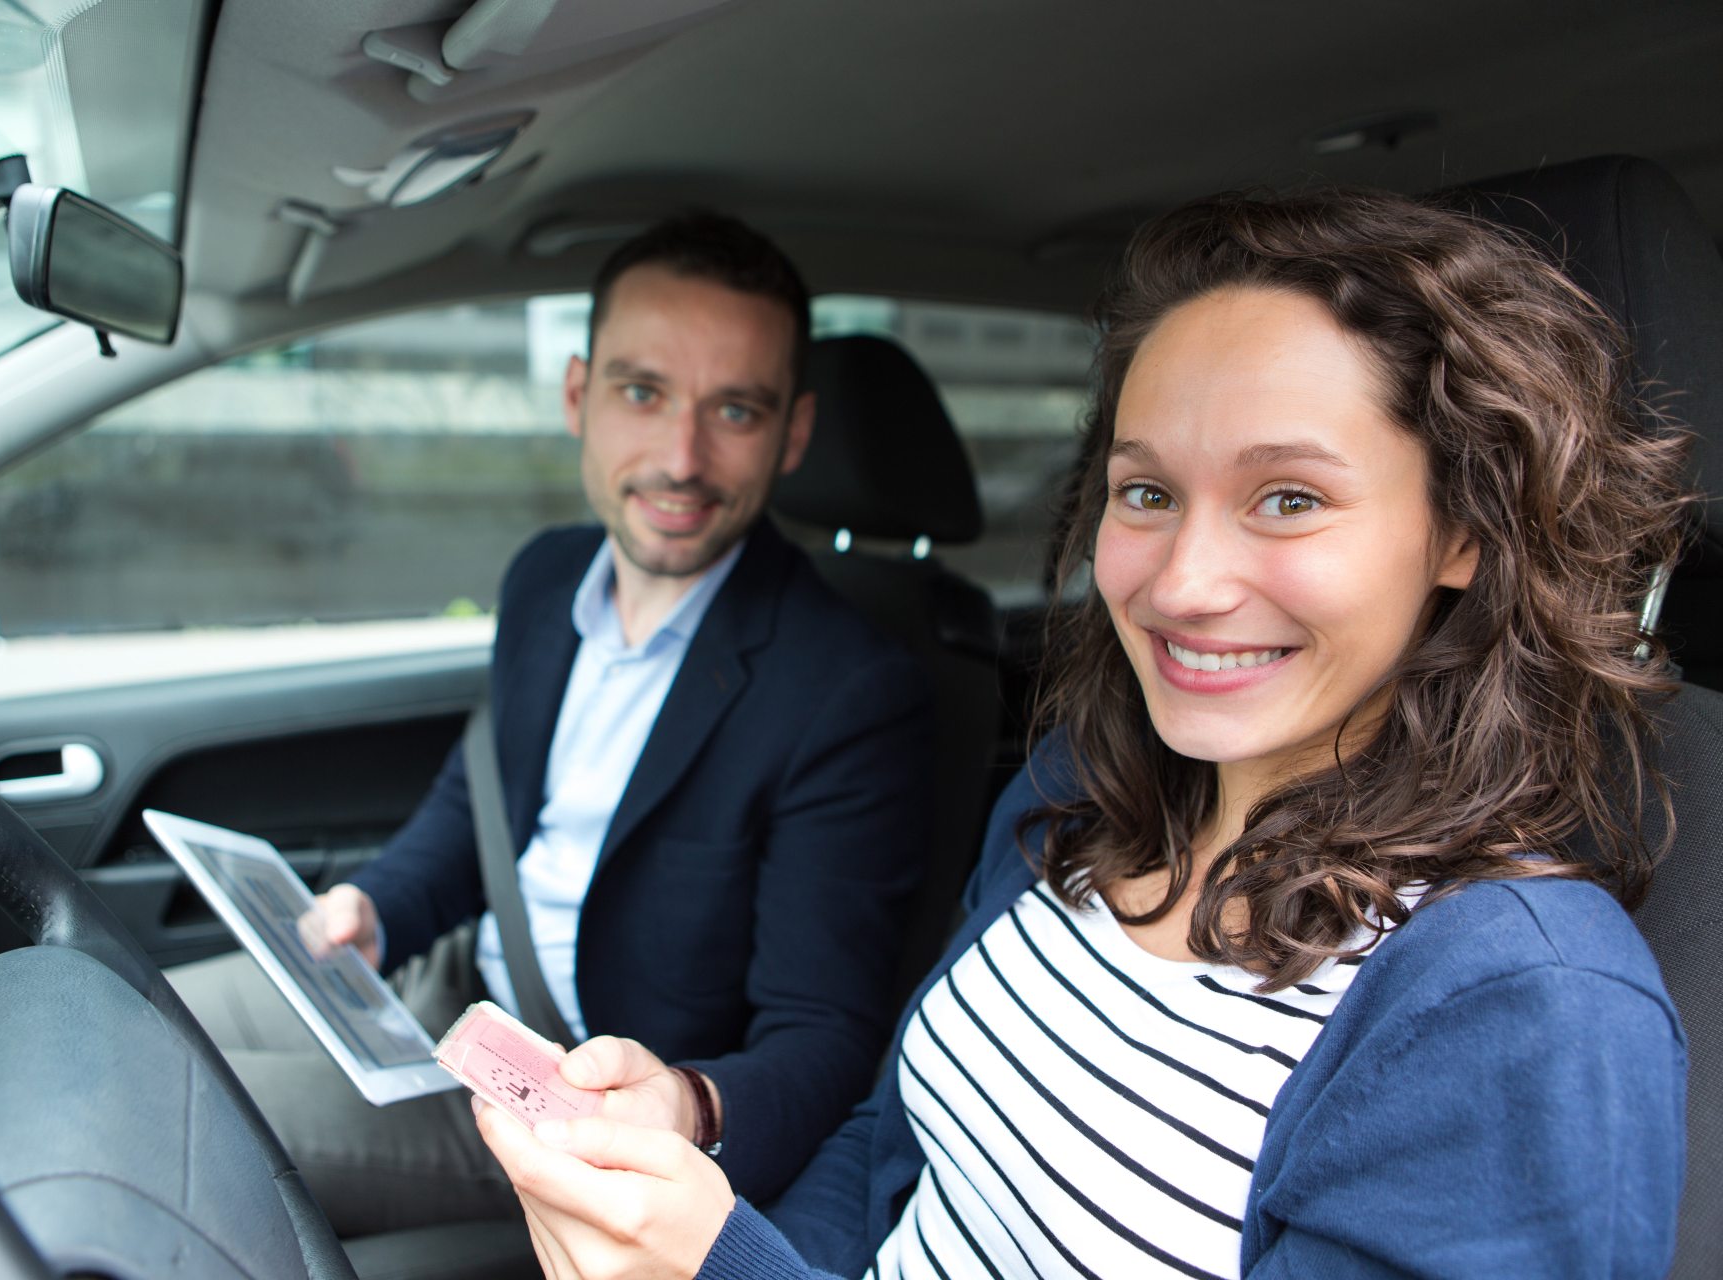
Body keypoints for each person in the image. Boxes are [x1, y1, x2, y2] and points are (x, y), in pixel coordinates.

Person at [474, 187, 1692, 1279]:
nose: (1182, 581)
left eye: (1289, 498)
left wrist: (723, 1265)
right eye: (1147, 491)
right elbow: (890, 1143)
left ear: (1463, 534)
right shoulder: (1076, 798)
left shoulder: (1518, 1007)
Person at [171, 211, 933, 1237]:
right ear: (579, 395)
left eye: (736, 411)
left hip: (569, 1091)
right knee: (115, 1000)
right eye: (641, 391)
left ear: (792, 433)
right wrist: (377, 906)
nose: (681, 454)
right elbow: (480, 797)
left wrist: (688, 1103)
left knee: (165, 1109)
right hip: (446, 980)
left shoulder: (845, 689)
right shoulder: (545, 578)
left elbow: (827, 1034)